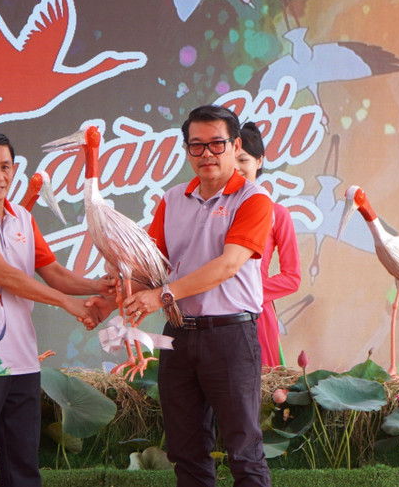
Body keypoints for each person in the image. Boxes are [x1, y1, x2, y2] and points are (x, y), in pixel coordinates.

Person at [0, 131, 113, 487]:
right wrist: (67, 303)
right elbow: (5, 275)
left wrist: (98, 286)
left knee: (22, 468)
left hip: (22, 360)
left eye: (5, 167)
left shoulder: (21, 217)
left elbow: (55, 273)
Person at [122, 105, 274, 486]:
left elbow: (228, 265)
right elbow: (149, 268)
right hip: (178, 337)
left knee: (243, 451)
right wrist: (108, 297)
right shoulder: (172, 199)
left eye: (217, 144)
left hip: (230, 336)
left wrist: (162, 297)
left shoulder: (253, 200)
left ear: (235, 145)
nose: (206, 154)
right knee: (186, 452)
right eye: (197, 146)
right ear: (187, 149)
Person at [237, 122, 301, 367]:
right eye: (231, 160)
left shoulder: (277, 214)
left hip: (257, 316)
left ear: (259, 161)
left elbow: (292, 278)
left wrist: (246, 292)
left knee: (263, 399)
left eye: (243, 160)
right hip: (214, 318)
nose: (236, 168)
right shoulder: (213, 211)